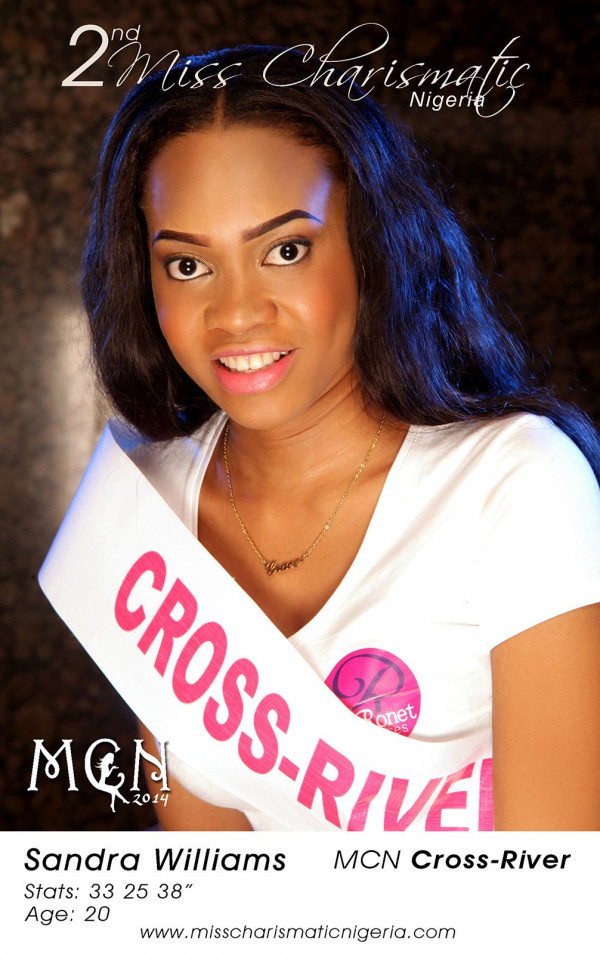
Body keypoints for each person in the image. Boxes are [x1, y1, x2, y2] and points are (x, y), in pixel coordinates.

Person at [61, 45, 600, 831]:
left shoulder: (515, 484)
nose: (236, 313)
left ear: (373, 244)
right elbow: (211, 884)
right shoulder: (144, 517)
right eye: (187, 265)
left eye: (286, 250)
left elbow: (559, 888)